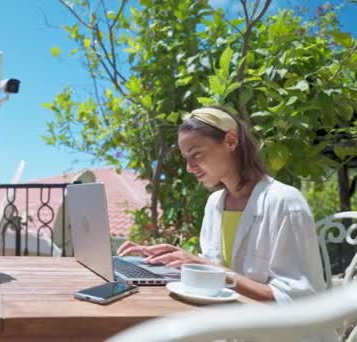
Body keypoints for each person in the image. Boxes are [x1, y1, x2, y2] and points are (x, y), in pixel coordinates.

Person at [117, 105, 325, 303]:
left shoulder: (285, 203)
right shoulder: (215, 204)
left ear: (231, 141)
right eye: (186, 157)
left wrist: (205, 266)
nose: (189, 167)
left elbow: (297, 299)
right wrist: (173, 259)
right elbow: (215, 273)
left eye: (196, 154)